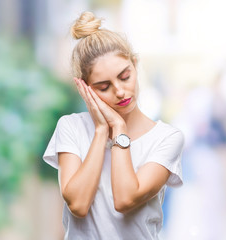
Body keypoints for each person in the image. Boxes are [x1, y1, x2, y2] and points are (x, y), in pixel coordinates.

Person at [43, 11, 184, 240]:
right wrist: (101, 131)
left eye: (125, 77)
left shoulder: (167, 138)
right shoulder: (70, 127)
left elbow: (125, 198)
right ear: (85, 88)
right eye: (103, 86)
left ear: (135, 65)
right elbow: (78, 204)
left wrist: (119, 129)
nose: (119, 91)